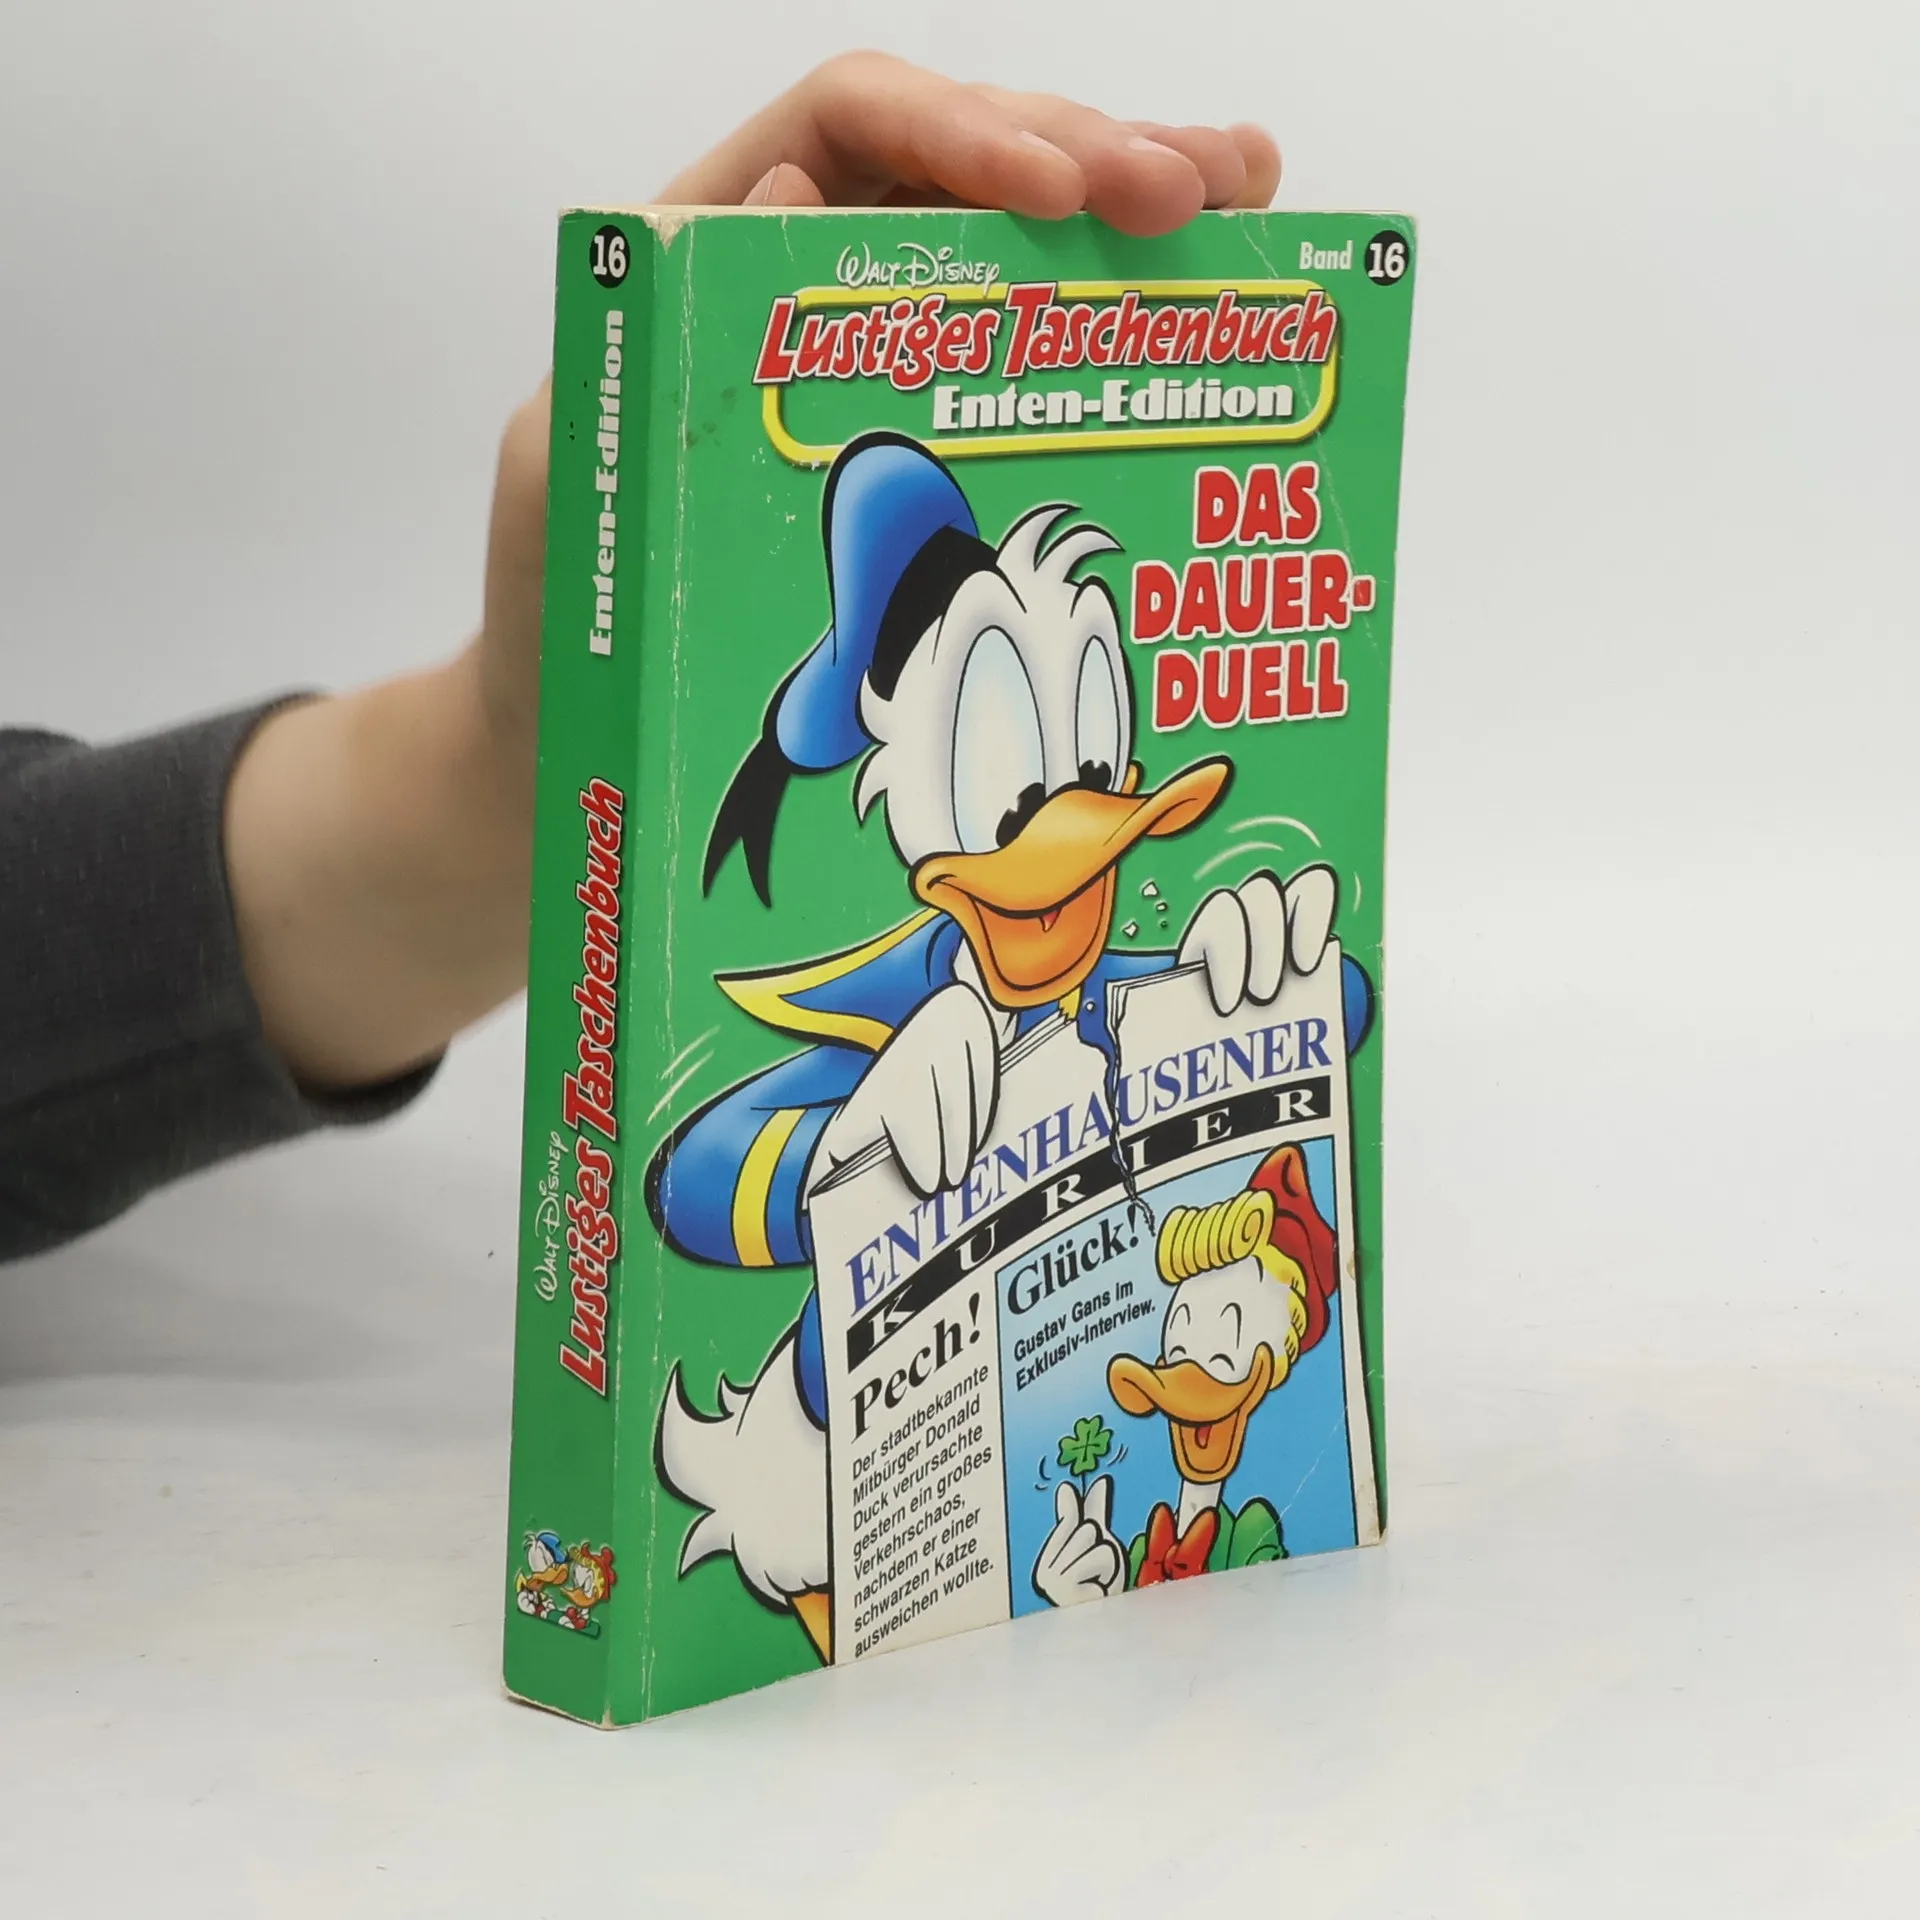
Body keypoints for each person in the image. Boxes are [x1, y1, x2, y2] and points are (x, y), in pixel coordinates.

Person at [0, 53, 1281, 1262]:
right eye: (1014, 799)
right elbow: (691, 1178)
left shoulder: (1122, 978)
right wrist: (851, 1151)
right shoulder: (886, 1004)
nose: (1075, 859)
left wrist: (1261, 981)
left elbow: (1344, 1020)